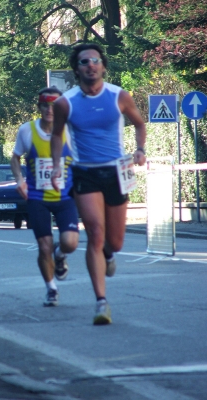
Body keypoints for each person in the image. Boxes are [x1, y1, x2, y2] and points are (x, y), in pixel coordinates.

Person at [51, 44, 146, 325]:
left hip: (118, 171)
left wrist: (140, 149)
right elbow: (57, 136)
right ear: (77, 69)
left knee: (114, 242)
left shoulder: (119, 96)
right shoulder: (64, 103)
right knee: (94, 231)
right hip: (86, 173)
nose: (90, 65)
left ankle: (108, 252)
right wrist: (57, 165)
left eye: (95, 60)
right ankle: (101, 303)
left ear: (103, 66)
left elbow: (140, 124)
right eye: (84, 62)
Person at [11, 87, 79, 306]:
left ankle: (60, 256)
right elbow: (15, 158)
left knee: (70, 243)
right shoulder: (26, 131)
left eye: (54, 106)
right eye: (45, 106)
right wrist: (20, 181)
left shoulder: (71, 130)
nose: (50, 110)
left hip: (65, 197)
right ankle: (51, 289)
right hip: (37, 197)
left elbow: (81, 160)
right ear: (39, 107)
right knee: (44, 247)